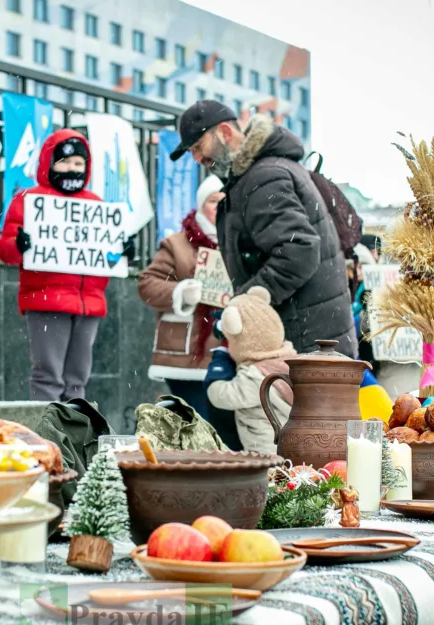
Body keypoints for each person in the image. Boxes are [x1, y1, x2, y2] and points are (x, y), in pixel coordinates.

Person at [169, 101, 356, 358]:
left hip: (303, 341)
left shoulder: (263, 177)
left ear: (225, 132)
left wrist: (245, 304)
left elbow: (298, 250)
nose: (197, 158)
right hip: (309, 335)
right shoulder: (262, 173)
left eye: (198, 147)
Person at [0, 129, 122, 402]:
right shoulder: (28, 201)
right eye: (64, 161)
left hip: (89, 303)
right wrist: (19, 244)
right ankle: (47, 427)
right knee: (48, 377)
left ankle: (73, 427)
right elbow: (5, 250)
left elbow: (108, 254)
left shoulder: (95, 205)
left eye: (78, 163)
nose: (72, 168)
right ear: (49, 162)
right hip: (47, 301)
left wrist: (123, 250)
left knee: (77, 381)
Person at [137, 174, 242, 450]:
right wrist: (180, 291)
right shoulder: (177, 243)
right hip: (185, 355)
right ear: (200, 204)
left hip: (228, 351)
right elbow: (147, 284)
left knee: (225, 429)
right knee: (198, 424)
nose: (219, 207)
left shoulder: (240, 241)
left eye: (225, 201)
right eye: (213, 201)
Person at [204, 286, 298, 454]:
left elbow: (220, 396)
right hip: (296, 447)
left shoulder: (257, 376)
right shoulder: (293, 363)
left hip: (268, 454)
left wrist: (221, 360)